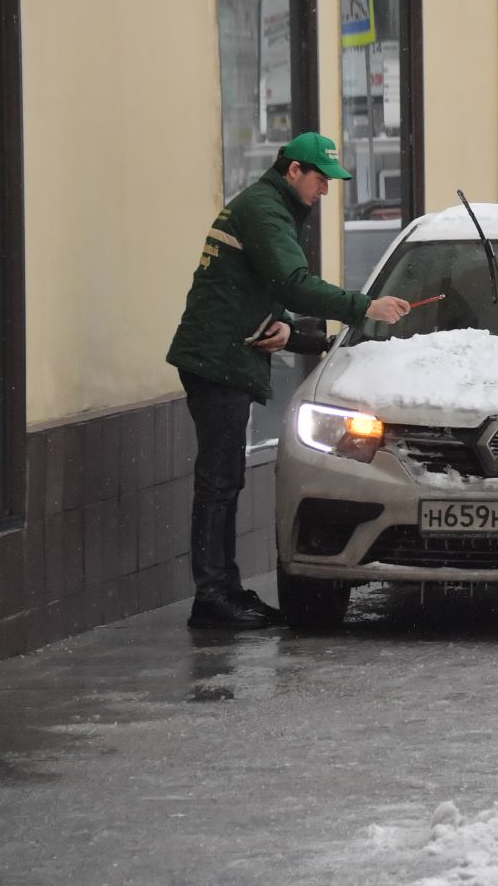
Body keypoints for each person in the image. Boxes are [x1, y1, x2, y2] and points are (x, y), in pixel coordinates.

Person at [166, 133, 412, 630]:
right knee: (219, 481)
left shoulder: (267, 207)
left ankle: (224, 588)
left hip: (223, 353)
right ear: (293, 171)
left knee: (224, 478)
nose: (325, 190)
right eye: (320, 179)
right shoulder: (265, 210)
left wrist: (286, 329)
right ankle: (213, 595)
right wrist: (364, 307)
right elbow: (292, 282)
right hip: (217, 361)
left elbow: (255, 285)